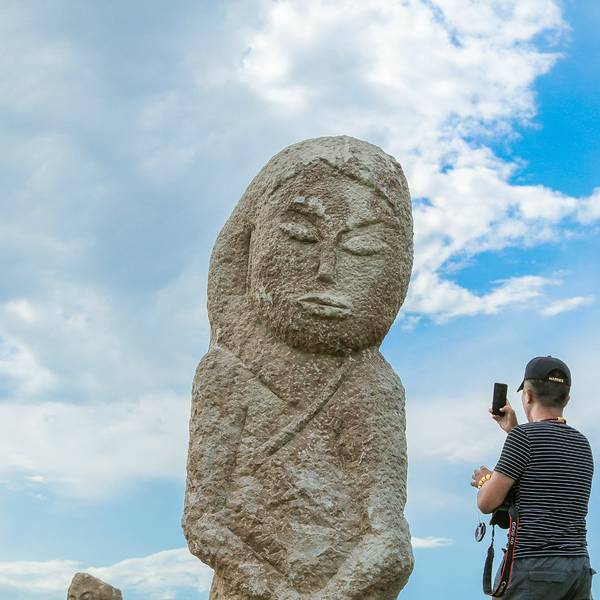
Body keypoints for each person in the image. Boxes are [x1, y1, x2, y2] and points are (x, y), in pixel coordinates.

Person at [472, 356, 595, 599]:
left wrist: (485, 481)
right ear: (567, 399)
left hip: (534, 568)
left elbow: (486, 503)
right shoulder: (582, 444)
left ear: (527, 395)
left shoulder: (523, 439)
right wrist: (514, 430)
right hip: (578, 569)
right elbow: (546, 479)